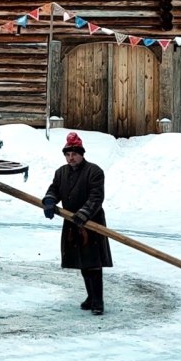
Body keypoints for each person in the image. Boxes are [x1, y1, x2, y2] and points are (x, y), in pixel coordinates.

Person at [41, 131, 112, 315]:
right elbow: (54, 189)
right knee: (82, 262)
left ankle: (98, 301)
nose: (70, 158)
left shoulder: (94, 171)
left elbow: (96, 197)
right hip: (72, 224)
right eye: (68, 154)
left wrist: (83, 214)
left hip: (91, 223)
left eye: (74, 154)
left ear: (82, 154)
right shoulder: (61, 173)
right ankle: (90, 297)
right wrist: (49, 201)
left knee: (93, 263)